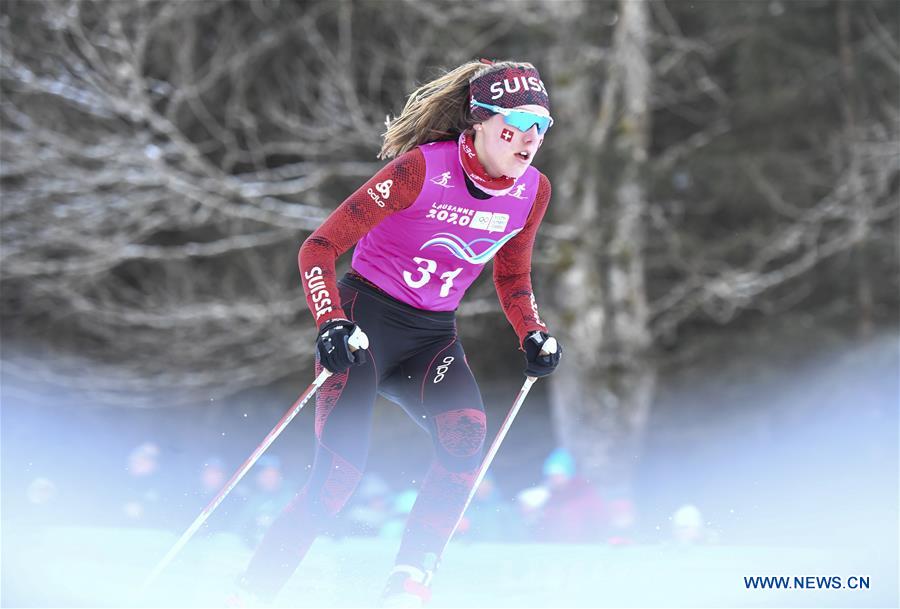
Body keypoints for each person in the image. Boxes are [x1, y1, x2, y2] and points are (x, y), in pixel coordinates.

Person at [237, 59, 562, 607]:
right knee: (337, 481)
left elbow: (511, 273)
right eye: (515, 126)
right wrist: (331, 323)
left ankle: (407, 579)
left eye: (541, 128)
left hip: (431, 337)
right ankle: (250, 593)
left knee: (466, 440)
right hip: (366, 325)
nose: (529, 141)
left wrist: (532, 331)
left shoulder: (533, 191)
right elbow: (317, 248)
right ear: (479, 123)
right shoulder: (419, 171)